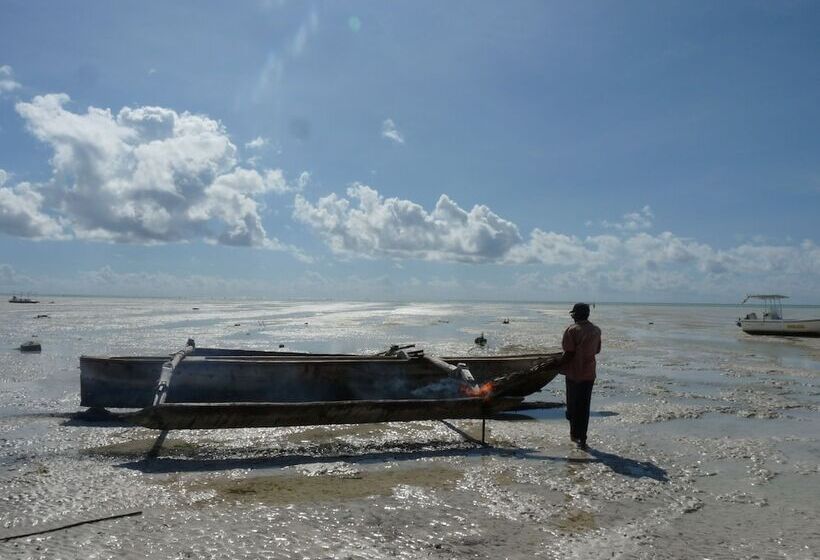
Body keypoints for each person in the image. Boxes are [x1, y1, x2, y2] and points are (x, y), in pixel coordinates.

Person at [560, 302, 601, 450]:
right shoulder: (596, 330)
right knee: (584, 406)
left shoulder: (572, 330)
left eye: (573, 314)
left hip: (573, 373)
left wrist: (557, 365)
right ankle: (582, 438)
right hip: (589, 374)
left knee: (572, 405)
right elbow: (597, 350)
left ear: (575, 315)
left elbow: (569, 353)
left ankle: (574, 434)